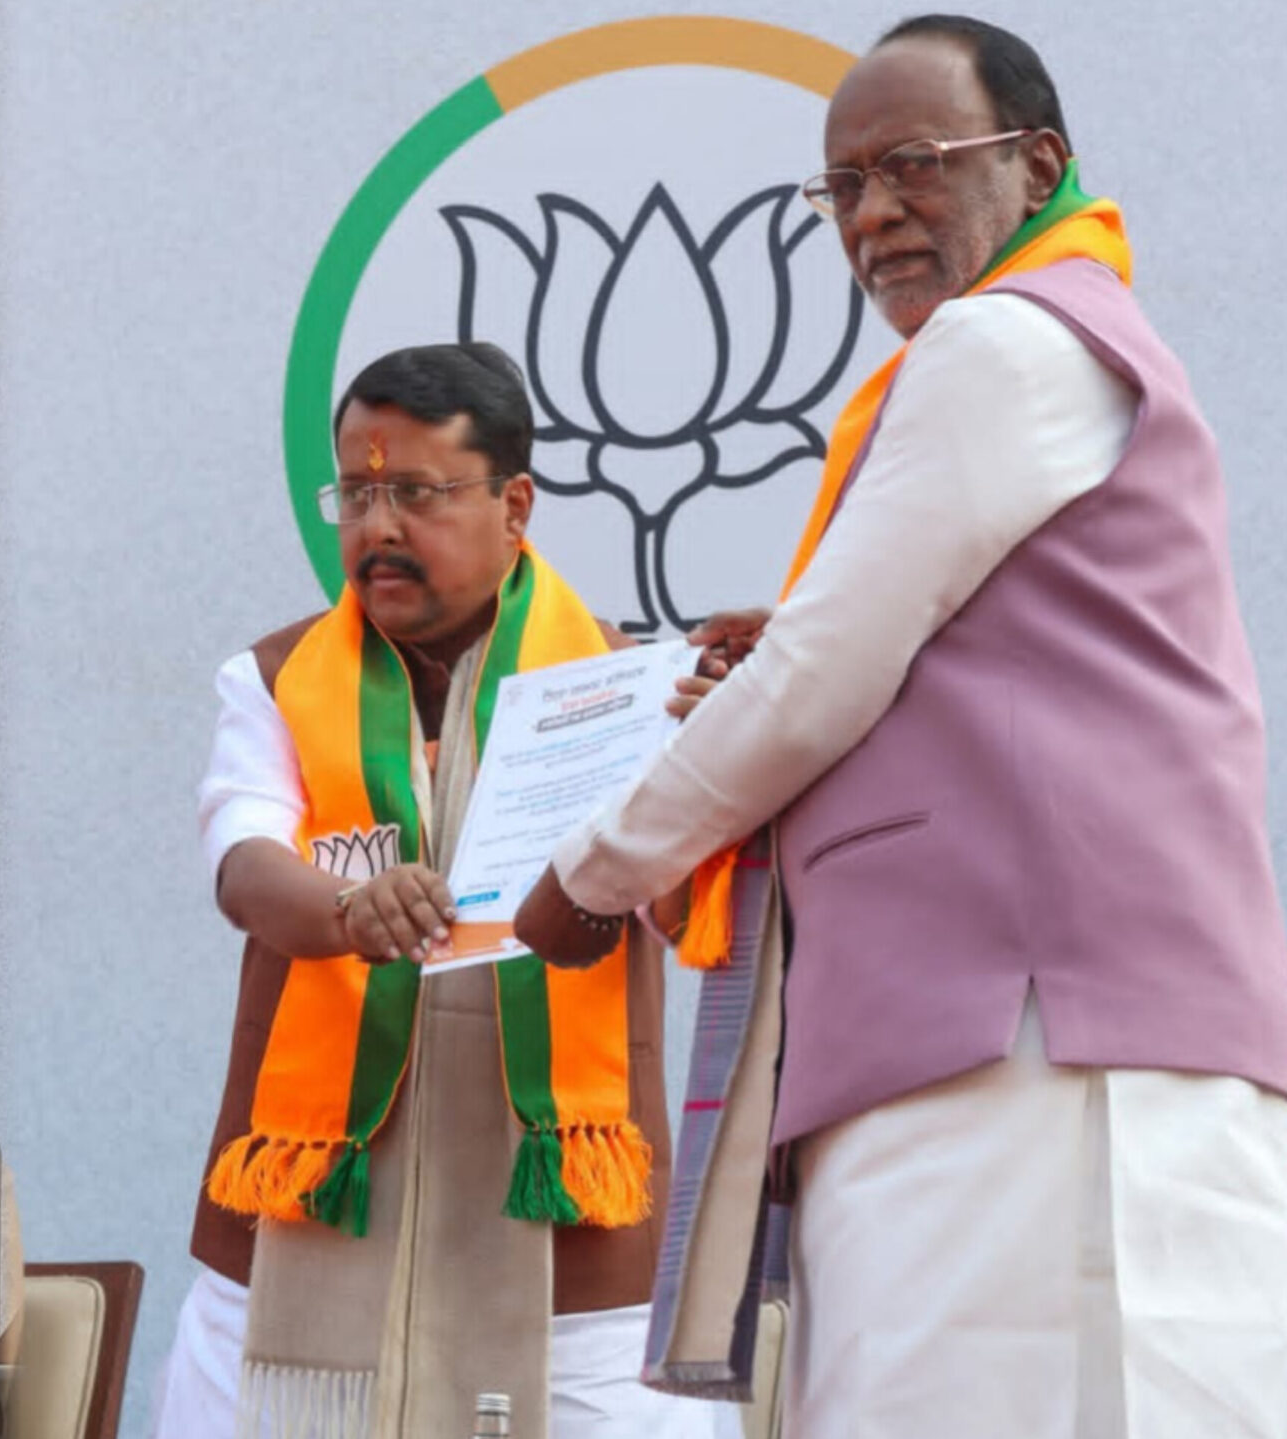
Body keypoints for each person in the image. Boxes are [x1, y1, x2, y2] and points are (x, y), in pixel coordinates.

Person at [517, 16, 1287, 1436]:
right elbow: (896, 650)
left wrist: (596, 873)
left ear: (1037, 164)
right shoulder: (1057, 337)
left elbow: (825, 673)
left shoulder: (1008, 338)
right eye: (843, 184)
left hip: (1029, 1045)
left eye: (915, 162)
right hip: (1037, 1037)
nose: (872, 213)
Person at [157, 343, 728, 1438]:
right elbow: (243, 860)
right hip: (307, 1226)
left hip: (572, 1246)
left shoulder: (627, 690)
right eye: (356, 494)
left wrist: (724, 759)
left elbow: (681, 907)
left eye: (416, 493)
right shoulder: (274, 680)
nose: (377, 527)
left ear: (514, 505)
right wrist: (344, 912)